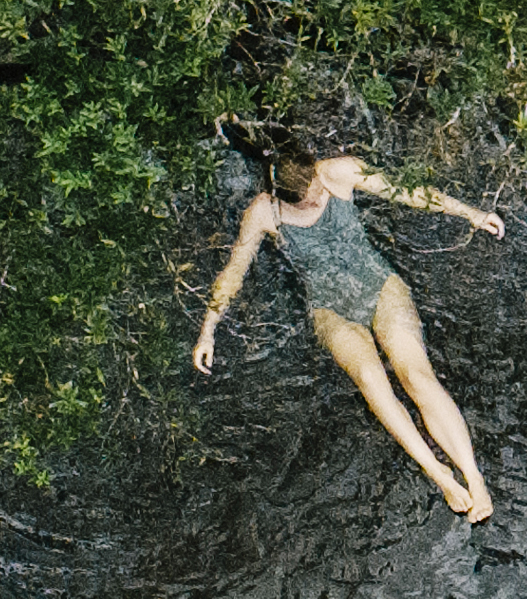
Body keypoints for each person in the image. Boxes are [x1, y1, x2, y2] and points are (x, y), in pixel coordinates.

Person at [192, 149, 503, 519]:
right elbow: (233, 272)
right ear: (284, 198)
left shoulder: (336, 172)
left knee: (415, 375)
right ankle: (440, 475)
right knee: (372, 381)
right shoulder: (264, 212)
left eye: (317, 187)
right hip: (329, 306)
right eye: (310, 198)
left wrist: (472, 214)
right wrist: (208, 330)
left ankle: (473, 475)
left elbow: (411, 192)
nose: (319, 196)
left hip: (377, 284)